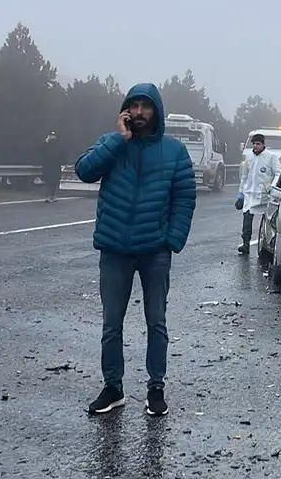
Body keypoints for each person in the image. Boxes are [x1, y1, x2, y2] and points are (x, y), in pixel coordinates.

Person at [74, 83, 196, 416]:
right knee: (111, 323)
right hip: (114, 250)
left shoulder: (174, 152)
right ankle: (112, 388)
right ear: (126, 111)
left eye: (146, 106)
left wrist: (173, 239)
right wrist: (118, 140)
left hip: (155, 251)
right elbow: (84, 170)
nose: (139, 112)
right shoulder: (112, 144)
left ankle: (156, 388)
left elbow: (185, 197)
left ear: (157, 111)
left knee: (156, 321)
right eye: (134, 106)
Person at [235, 133, 281, 256]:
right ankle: (245, 244)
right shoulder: (249, 157)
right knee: (246, 220)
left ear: (263, 144)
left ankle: (267, 246)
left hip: (265, 195)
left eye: (258, 144)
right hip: (250, 194)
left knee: (267, 222)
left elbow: (278, 173)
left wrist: (272, 187)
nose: (256, 146)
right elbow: (244, 176)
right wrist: (241, 193)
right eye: (254, 144)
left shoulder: (271, 157)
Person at [40, 131, 65, 202]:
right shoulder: (46, 145)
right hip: (47, 166)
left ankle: (53, 196)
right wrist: (45, 141)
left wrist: (62, 163)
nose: (52, 137)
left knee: (55, 181)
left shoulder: (59, 145)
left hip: (56, 166)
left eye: (54, 136)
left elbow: (62, 154)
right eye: (51, 136)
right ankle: (48, 196)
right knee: (48, 181)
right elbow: (40, 150)